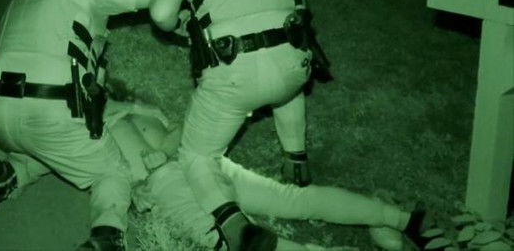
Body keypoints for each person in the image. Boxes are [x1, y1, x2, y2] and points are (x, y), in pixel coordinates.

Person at [148, 0, 323, 249]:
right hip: (294, 63)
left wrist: (182, 25)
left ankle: (234, 225)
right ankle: (296, 159)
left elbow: (161, 13)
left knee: (196, 156)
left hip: (236, 73)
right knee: (284, 80)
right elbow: (298, 8)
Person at [0, 0, 157, 250]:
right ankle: (107, 239)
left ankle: (7, 175)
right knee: (112, 172)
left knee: (57, 148)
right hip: (47, 109)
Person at [103, 99, 429, 251]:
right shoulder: (89, 126)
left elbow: (178, 131)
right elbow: (106, 181)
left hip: (198, 162)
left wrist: (143, 116)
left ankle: (401, 219)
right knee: (236, 241)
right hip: (166, 179)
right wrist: (136, 190)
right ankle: (391, 223)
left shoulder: (134, 106)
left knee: (291, 202)